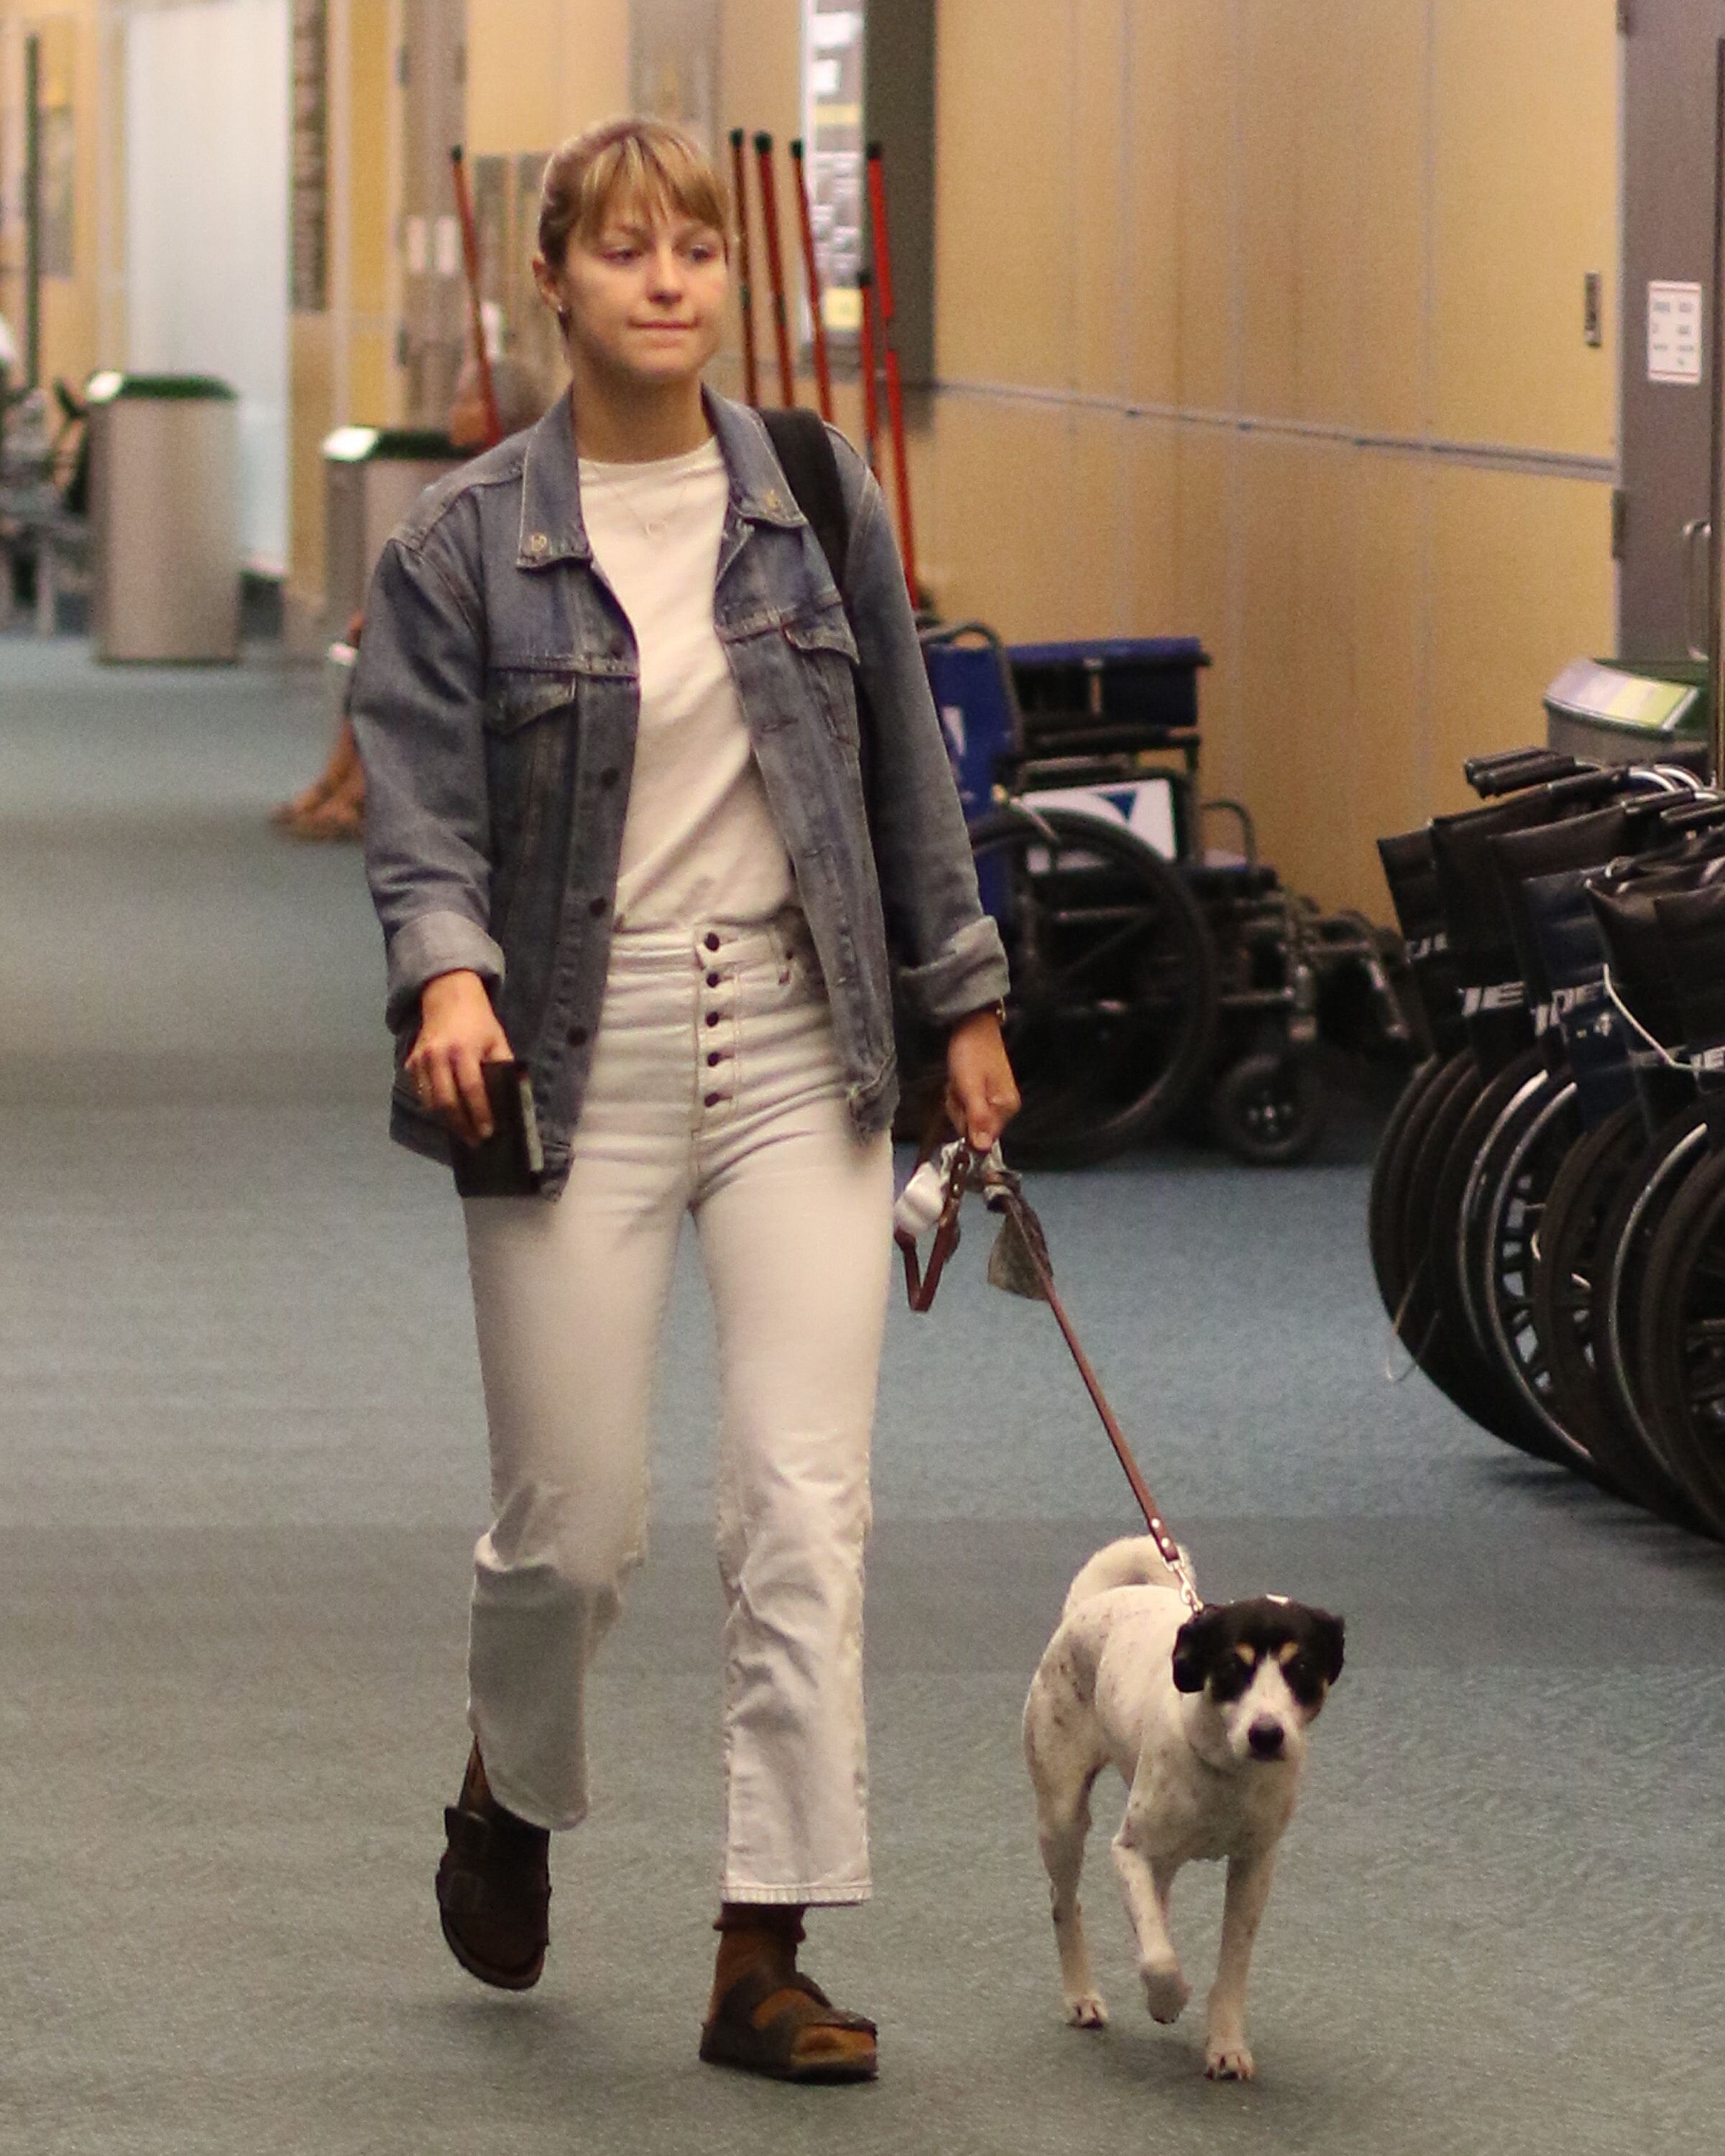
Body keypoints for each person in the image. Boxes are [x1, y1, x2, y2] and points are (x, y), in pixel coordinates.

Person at [349, 116, 1018, 2083]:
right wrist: (445, 973)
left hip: (805, 1040)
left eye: (698, 250)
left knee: (805, 1504)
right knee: (575, 1529)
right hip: (567, 1051)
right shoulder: (461, 541)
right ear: (552, 276)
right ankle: (509, 1784)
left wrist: (964, 997)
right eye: (626, 249)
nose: (667, 281)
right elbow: (418, 808)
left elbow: (902, 765)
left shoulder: (809, 493)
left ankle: (762, 1947)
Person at [276, 356, 550, 840]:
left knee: (398, 646)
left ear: (495, 410)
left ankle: (362, 789)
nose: (452, 412)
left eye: (465, 401)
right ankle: (339, 775)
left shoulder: (525, 484)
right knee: (379, 633)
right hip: (466, 616)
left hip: (504, 629)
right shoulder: (467, 480)